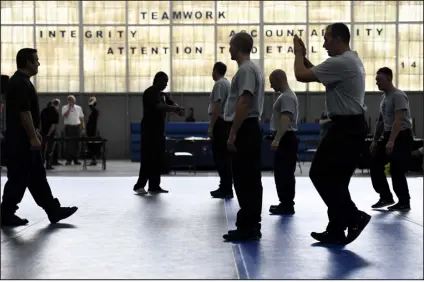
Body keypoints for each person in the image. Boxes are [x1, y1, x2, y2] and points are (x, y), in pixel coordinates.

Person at [293, 23, 370, 244]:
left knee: (319, 174)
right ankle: (336, 228)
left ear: (337, 39)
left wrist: (298, 54)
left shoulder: (341, 62)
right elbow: (316, 73)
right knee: (337, 180)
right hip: (352, 126)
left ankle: (354, 216)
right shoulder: (350, 60)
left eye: (326, 39)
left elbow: (300, 75)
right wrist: (306, 58)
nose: (324, 43)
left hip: (345, 128)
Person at [1, 48, 77, 226]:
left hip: (24, 140)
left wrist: (35, 134)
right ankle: (5, 213)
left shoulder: (23, 81)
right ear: (27, 62)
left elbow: (26, 114)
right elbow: (24, 113)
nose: (39, 63)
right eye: (36, 60)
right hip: (21, 142)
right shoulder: (20, 83)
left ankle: (52, 210)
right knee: (19, 178)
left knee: (36, 177)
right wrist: (33, 137)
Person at [223, 32, 265, 242]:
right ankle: (249, 225)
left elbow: (244, 102)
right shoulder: (251, 68)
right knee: (249, 179)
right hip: (248, 127)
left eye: (230, 46)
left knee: (245, 180)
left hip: (245, 128)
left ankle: (248, 226)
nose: (228, 49)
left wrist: (233, 133)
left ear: (238, 47)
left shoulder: (247, 70)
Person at [369, 67, 413, 210]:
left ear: (389, 78)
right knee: (375, 164)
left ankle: (404, 201)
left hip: (402, 135)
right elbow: (380, 121)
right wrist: (375, 140)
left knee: (397, 169)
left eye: (379, 80)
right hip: (389, 134)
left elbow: (398, 120)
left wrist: (392, 141)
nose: (377, 83)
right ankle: (386, 197)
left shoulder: (399, 96)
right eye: (376, 80)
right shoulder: (383, 98)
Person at [133, 72, 184, 195]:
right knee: (148, 158)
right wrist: (173, 109)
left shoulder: (162, 95)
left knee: (157, 158)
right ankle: (139, 185)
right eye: (164, 81)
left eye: (167, 81)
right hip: (149, 130)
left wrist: (177, 108)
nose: (166, 84)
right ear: (157, 80)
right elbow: (159, 106)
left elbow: (171, 103)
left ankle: (154, 185)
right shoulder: (150, 92)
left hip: (159, 130)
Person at [268, 69, 299, 215]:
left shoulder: (287, 97)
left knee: (285, 173)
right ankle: (284, 202)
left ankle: (287, 204)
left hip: (286, 138)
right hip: (284, 138)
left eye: (272, 82)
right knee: (281, 173)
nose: (271, 86)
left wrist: (277, 139)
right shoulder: (284, 96)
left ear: (279, 79)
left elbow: (285, 118)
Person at [208, 62, 233, 199]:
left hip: (220, 123)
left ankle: (226, 187)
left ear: (214, 71)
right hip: (226, 123)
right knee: (224, 157)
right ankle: (225, 186)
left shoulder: (219, 84)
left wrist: (211, 126)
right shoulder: (227, 83)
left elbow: (216, 106)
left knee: (220, 157)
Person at [62, 95, 85, 165]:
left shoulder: (78, 108)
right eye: (69, 100)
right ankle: (69, 159)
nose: (71, 101)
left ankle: (76, 159)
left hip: (77, 127)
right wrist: (69, 108)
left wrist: (83, 128)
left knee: (77, 144)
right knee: (69, 144)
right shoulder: (64, 107)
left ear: (74, 101)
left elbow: (81, 118)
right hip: (69, 127)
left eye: (72, 100)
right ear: (68, 101)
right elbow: (64, 115)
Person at [40, 98, 60, 170]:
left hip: (42, 132)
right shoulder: (55, 112)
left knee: (42, 149)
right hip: (50, 134)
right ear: (56, 105)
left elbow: (40, 122)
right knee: (50, 149)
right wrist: (49, 133)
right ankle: (48, 165)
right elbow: (53, 125)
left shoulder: (43, 111)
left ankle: (41, 164)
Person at [86, 96, 100, 166]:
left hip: (92, 131)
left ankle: (94, 160)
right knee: (90, 145)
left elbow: (91, 106)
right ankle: (93, 159)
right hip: (90, 130)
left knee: (92, 145)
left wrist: (93, 100)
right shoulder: (93, 112)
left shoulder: (95, 112)